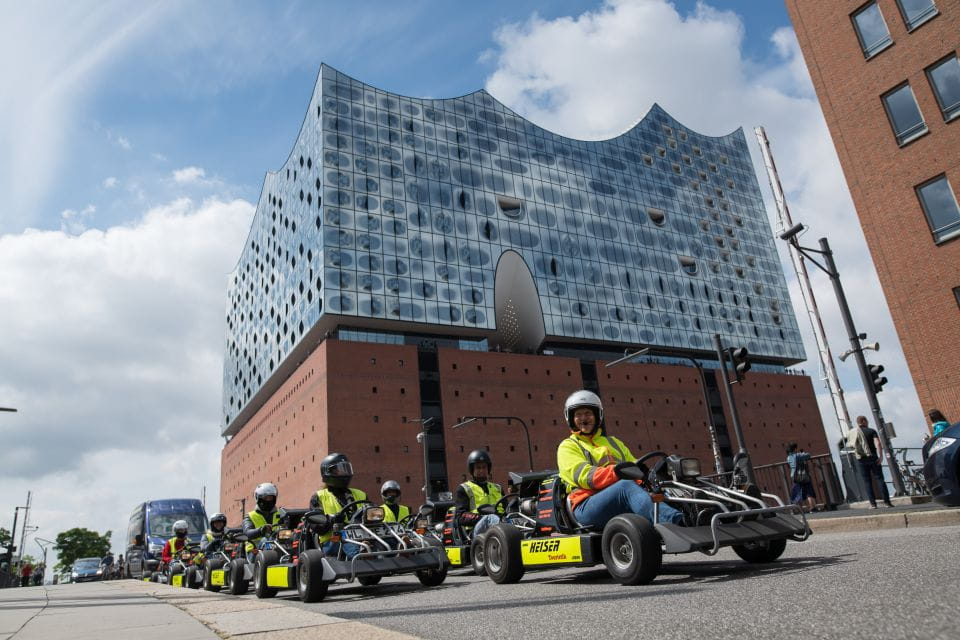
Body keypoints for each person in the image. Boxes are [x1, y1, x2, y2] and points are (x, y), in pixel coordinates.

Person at [557, 390, 684, 528]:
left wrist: (651, 476)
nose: (584, 418)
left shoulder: (613, 442)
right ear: (571, 418)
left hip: (619, 496)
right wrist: (617, 472)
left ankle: (699, 516)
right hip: (585, 504)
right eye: (578, 414)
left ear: (596, 416)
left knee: (666, 486)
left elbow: (635, 466)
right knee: (625, 486)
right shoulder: (568, 446)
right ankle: (678, 523)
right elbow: (586, 477)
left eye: (588, 413)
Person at [309, 453, 365, 559]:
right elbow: (316, 527)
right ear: (327, 473)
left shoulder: (360, 494)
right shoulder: (319, 497)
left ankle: (399, 548)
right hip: (333, 540)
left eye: (346, 469)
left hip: (362, 535)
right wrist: (331, 519)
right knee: (345, 540)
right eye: (339, 470)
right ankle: (361, 555)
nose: (344, 473)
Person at [454, 449, 503, 540]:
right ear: (472, 470)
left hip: (500, 523)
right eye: (478, 467)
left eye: (484, 467)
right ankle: (505, 538)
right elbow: (461, 517)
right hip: (475, 530)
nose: (481, 470)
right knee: (490, 518)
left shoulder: (497, 488)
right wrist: (481, 518)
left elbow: (507, 509)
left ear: (488, 469)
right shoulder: (464, 489)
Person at [847, 415, 894, 509]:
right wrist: (880, 456)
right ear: (864, 421)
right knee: (880, 479)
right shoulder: (871, 431)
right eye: (867, 420)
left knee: (867, 482)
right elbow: (878, 443)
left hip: (861, 459)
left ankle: (873, 504)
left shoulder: (853, 432)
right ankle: (887, 503)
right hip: (873, 457)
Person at [242, 483, 282, 562]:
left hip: (279, 546)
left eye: (270, 498)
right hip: (254, 551)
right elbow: (247, 533)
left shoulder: (281, 513)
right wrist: (261, 530)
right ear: (258, 498)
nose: (268, 500)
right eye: (265, 498)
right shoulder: (250, 516)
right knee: (265, 540)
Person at [786, 442, 816, 513]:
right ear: (795, 448)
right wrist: (802, 453)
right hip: (803, 476)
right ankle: (812, 508)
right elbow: (808, 455)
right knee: (809, 492)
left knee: (797, 492)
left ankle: (796, 509)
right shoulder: (798, 456)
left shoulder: (788, 457)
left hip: (795, 476)